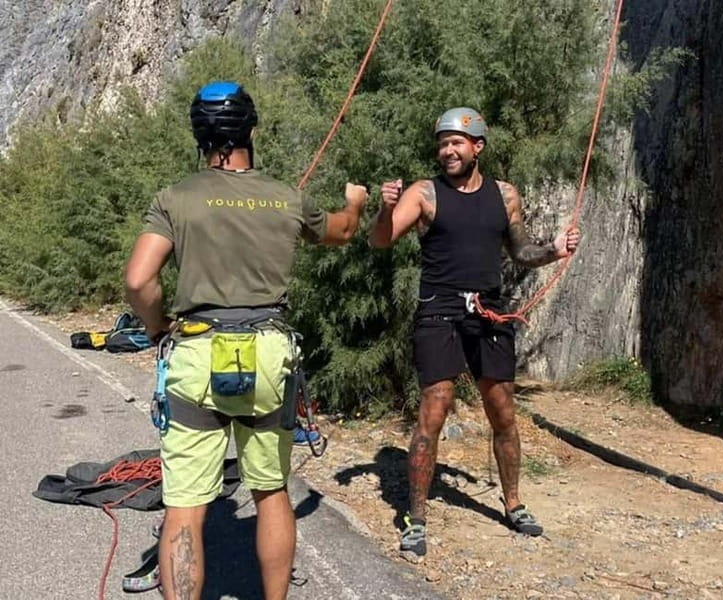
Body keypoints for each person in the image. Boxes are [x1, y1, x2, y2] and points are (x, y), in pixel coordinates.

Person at [124, 80, 368, 600]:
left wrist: (155, 325)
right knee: (271, 490)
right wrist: (356, 202)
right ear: (251, 130)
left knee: (185, 506)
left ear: (198, 134)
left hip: (197, 351)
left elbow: (138, 280)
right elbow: (345, 232)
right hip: (267, 354)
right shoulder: (285, 197)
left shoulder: (175, 199)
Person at [369, 107, 580, 559]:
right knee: (435, 407)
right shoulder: (424, 193)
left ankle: (515, 503)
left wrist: (554, 250)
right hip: (438, 309)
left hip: (488, 313)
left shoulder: (504, 195)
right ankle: (417, 518)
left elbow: (520, 248)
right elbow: (380, 241)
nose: (447, 150)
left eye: (456, 143)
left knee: (502, 410)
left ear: (477, 147)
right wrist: (385, 210)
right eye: (442, 143)